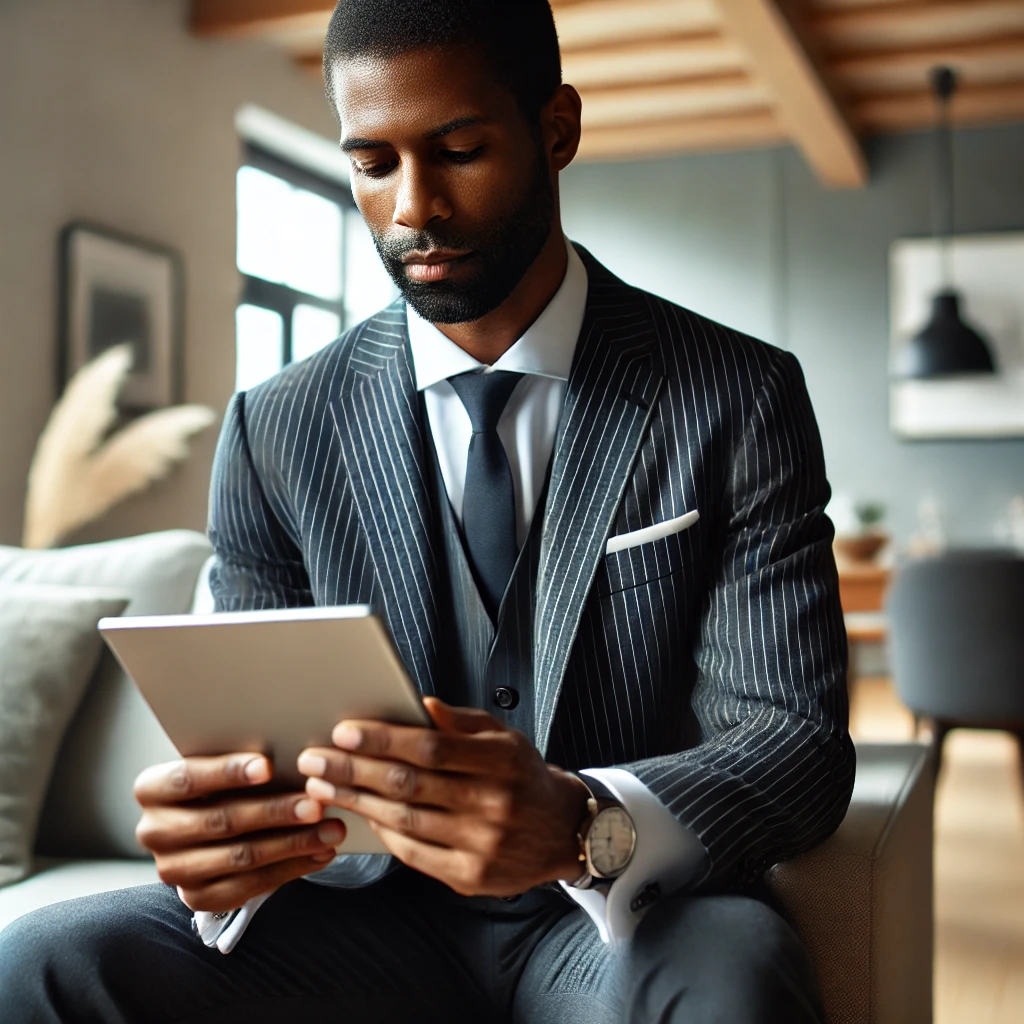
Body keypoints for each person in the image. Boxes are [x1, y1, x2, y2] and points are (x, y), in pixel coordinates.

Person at [0, 1, 855, 1020]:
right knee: (39, 965)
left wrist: (586, 823)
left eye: (457, 150)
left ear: (556, 130)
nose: (413, 207)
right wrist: (221, 835)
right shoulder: (275, 429)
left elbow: (792, 739)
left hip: (628, 920)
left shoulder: (734, 394)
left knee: (737, 987)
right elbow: (254, 750)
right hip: (351, 926)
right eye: (372, 164)